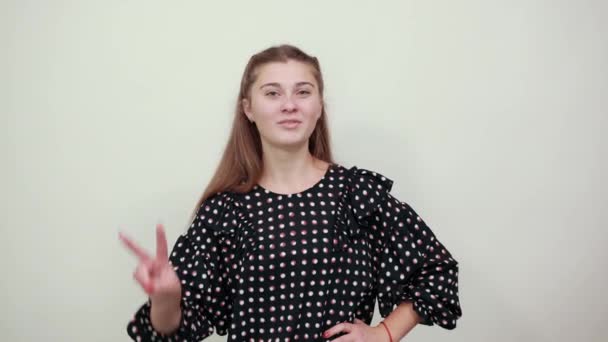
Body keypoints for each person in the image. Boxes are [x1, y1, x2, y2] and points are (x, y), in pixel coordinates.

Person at [119, 44, 463, 341]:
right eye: (272, 93)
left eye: (303, 91)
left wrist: (384, 333)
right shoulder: (224, 212)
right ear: (248, 109)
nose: (289, 104)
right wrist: (166, 299)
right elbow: (172, 331)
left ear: (319, 106)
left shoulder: (356, 196)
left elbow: (436, 271)